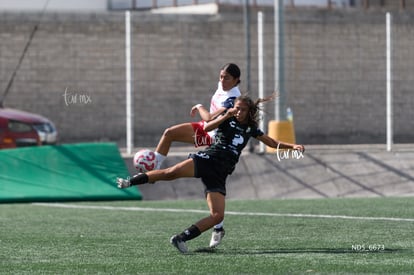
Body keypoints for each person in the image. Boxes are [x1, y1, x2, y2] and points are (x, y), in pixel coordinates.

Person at [117, 95, 305, 253]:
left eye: (243, 110)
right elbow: (206, 128)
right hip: (208, 159)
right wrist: (226, 115)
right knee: (170, 173)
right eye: (237, 109)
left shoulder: (250, 129)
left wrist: (292, 146)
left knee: (217, 215)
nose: (239, 112)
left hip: (220, 173)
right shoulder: (227, 119)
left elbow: (271, 142)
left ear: (249, 112)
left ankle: (181, 238)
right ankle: (130, 182)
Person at [152, 63, 241, 247]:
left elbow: (208, 118)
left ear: (237, 81)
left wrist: (199, 106)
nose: (222, 80)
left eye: (227, 78)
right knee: (169, 133)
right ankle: (153, 169)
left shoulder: (233, 98)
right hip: (206, 131)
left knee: (212, 186)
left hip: (215, 139)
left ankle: (218, 227)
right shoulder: (223, 87)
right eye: (221, 76)